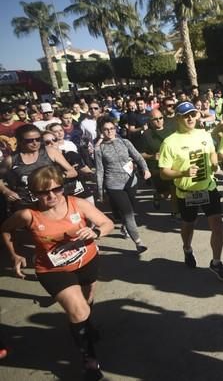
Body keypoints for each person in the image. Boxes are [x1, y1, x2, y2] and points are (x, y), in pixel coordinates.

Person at [1, 165, 114, 380]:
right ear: (35, 193)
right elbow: (6, 229)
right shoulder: (27, 215)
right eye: (44, 192)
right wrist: (15, 255)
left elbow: (107, 223)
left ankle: (86, 326)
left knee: (87, 301)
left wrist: (95, 231)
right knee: (78, 310)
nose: (52, 196)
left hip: (87, 261)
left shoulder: (77, 204)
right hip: (53, 269)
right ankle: (89, 360)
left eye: (57, 189)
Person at [159, 101, 223, 281]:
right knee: (189, 225)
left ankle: (216, 262)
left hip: (208, 187)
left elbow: (212, 150)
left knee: (217, 225)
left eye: (193, 114)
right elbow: (163, 173)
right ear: (178, 118)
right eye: (186, 115)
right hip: (186, 192)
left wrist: (214, 163)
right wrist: (182, 172)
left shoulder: (203, 134)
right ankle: (187, 248)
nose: (190, 118)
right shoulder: (170, 142)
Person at [94, 118, 150, 254]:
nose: (109, 132)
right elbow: (100, 171)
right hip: (114, 184)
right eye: (106, 129)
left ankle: (125, 226)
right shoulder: (99, 149)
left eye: (112, 128)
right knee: (129, 213)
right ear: (101, 131)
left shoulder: (124, 142)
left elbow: (137, 157)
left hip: (131, 182)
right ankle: (138, 243)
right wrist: (100, 192)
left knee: (130, 209)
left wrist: (145, 169)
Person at [0, 124, 78, 210]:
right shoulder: (11, 160)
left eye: (38, 139)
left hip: (51, 202)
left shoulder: (50, 152)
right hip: (26, 205)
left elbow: (72, 172)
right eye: (29, 140)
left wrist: (54, 178)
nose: (35, 143)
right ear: (20, 141)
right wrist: (6, 191)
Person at [138, 110, 174, 211]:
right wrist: (153, 157)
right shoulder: (146, 134)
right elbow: (140, 154)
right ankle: (157, 196)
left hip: (172, 165)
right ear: (150, 121)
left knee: (174, 190)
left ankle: (176, 212)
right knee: (165, 194)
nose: (158, 121)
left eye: (160, 118)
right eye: (155, 119)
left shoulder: (171, 130)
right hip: (156, 167)